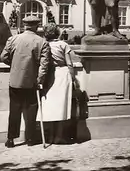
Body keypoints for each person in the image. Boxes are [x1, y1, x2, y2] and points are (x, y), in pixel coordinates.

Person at [0, 15, 50, 148]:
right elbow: (44, 66)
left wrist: (14, 64)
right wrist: (40, 80)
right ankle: (30, 139)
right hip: (31, 82)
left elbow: (3, 57)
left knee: (14, 110)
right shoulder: (42, 42)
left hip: (15, 80)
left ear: (24, 25)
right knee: (31, 111)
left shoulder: (13, 39)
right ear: (36, 26)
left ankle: (10, 139)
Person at [36, 23, 77, 144]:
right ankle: (59, 136)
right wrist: (73, 78)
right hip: (62, 74)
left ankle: (50, 136)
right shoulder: (63, 44)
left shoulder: (44, 44)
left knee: (50, 107)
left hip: (49, 75)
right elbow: (69, 63)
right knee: (62, 106)